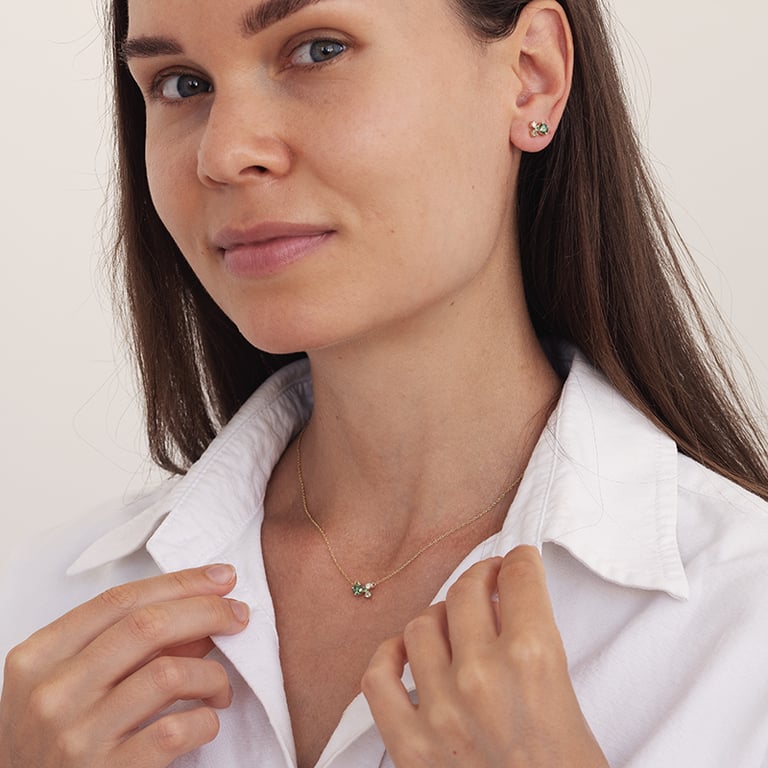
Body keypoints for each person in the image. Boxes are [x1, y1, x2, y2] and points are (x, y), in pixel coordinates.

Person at [1, 0, 768, 766]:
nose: (224, 153)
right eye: (181, 84)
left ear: (532, 76)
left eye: (318, 50)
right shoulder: (37, 623)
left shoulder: (742, 627)